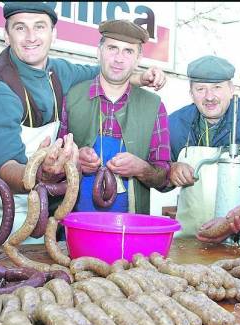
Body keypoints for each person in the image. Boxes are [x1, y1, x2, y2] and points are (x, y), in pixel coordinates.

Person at [0, 2, 167, 244]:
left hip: (43, 219)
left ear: (54, 34)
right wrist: (42, 173)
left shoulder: (58, 71)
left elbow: (108, 72)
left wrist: (139, 77)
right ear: (6, 35)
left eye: (39, 27)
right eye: (20, 28)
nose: (30, 37)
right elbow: (4, 167)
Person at [168, 55, 240, 245]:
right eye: (200, 89)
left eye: (217, 87)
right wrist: (170, 169)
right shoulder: (175, 124)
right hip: (192, 241)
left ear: (231, 89)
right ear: (191, 92)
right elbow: (159, 178)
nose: (209, 96)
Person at [59, 19, 171, 214]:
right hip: (75, 225)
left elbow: (164, 178)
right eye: (112, 48)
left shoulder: (154, 107)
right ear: (99, 51)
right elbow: (53, 169)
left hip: (131, 230)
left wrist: (141, 168)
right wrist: (74, 161)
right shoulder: (72, 99)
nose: (119, 58)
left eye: (128, 51)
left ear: (138, 59)